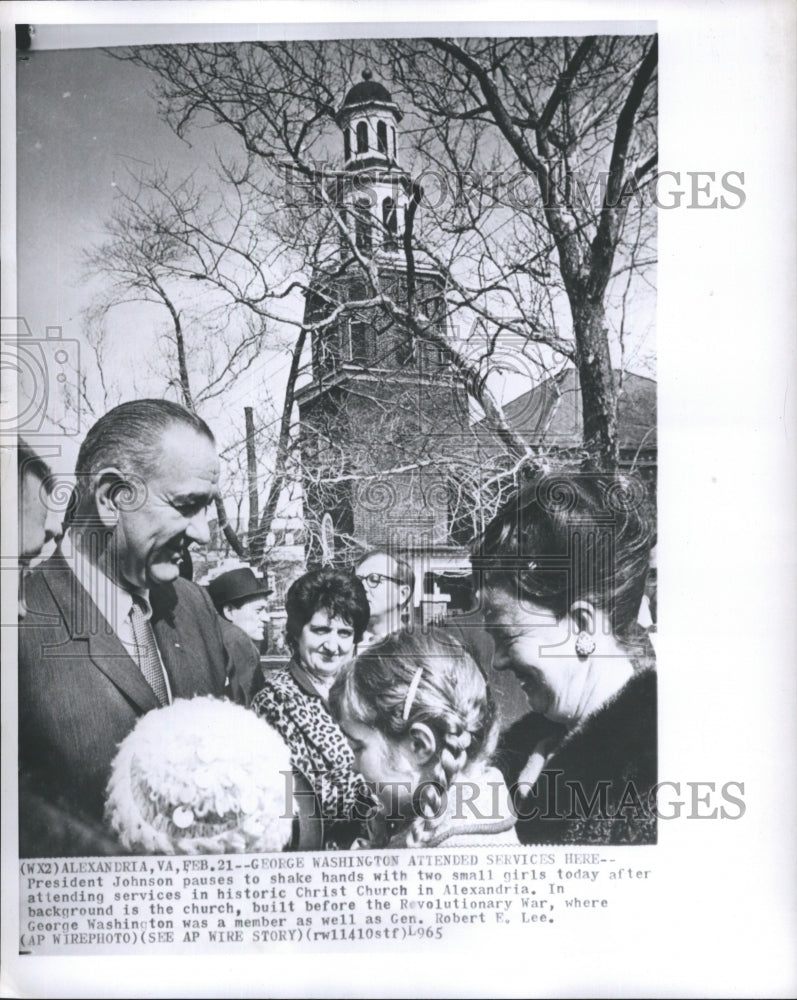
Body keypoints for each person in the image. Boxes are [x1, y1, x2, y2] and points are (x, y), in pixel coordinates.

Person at [18, 399, 240, 855]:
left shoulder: (194, 604)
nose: (204, 534)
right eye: (187, 505)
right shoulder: (21, 621)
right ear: (111, 497)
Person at [473, 469, 657, 845]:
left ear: (581, 625)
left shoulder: (649, 776)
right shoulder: (527, 753)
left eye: (509, 638)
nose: (499, 662)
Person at [329, 630, 517, 848]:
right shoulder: (442, 815)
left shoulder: (458, 852)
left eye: (358, 747)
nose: (353, 766)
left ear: (419, 745)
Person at [250, 566, 371, 848]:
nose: (333, 645)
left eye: (344, 632)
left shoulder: (368, 691)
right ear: (297, 632)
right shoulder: (274, 701)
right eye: (320, 630)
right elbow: (304, 799)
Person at [207, 566, 272, 705]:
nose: (267, 618)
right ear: (229, 611)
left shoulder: (213, 639)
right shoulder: (237, 641)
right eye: (258, 610)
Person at [354, 549, 414, 643]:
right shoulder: (338, 643)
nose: (362, 587)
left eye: (374, 579)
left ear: (402, 594)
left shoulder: (417, 648)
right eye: (357, 580)